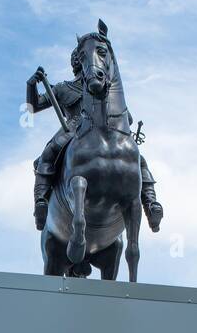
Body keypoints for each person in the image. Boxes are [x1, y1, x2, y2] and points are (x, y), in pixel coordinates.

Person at [25, 48, 164, 232]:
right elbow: (33, 107)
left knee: (139, 160)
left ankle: (151, 204)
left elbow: (126, 117)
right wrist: (31, 85)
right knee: (48, 153)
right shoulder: (62, 88)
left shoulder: (104, 88)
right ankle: (41, 202)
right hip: (74, 130)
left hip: (107, 132)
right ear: (78, 63)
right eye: (82, 59)